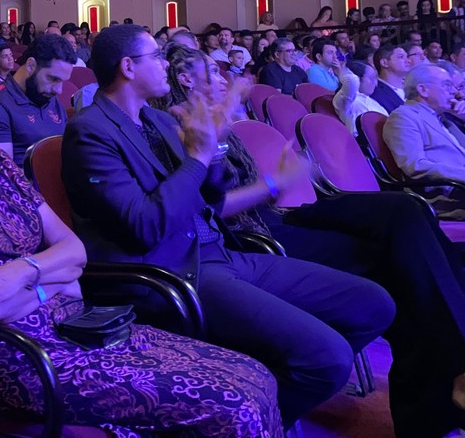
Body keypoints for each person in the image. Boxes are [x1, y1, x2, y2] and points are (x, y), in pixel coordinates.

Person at [0, 57, 285, 438]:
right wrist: (56, 281)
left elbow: (74, 251)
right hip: (16, 356)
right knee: (234, 404)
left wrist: (18, 274)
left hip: (82, 325)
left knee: (255, 375)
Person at [61, 25, 394, 426]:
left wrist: (215, 147)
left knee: (372, 304)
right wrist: (198, 158)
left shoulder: (158, 120)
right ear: (128, 67)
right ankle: (243, 419)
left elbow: (211, 199)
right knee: (328, 358)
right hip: (172, 272)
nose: (165, 63)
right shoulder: (90, 131)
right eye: (156, 56)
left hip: (221, 253)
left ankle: (261, 398)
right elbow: (144, 226)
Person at [166, 46, 465, 438]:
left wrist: (287, 177)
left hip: (279, 214)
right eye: (212, 71)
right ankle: (441, 394)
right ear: (185, 79)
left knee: (407, 210)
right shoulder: (176, 126)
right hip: (253, 236)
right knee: (401, 265)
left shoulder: (220, 119)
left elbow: (256, 188)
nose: (224, 79)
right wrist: (275, 182)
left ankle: (453, 373)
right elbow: (208, 209)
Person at [0, 34, 75, 166]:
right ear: (31, 65)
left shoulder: (49, 96)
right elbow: (2, 172)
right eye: (53, 79)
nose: (59, 90)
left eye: (62, 81)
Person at [384, 63, 465, 187]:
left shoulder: (444, 118)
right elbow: (415, 166)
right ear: (423, 90)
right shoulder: (404, 117)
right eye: (447, 85)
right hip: (448, 190)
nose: (455, 92)